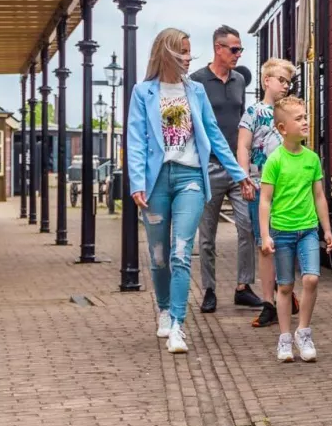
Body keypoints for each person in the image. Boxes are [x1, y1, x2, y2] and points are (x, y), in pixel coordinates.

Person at [127, 28, 252, 354]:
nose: (188, 57)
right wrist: (136, 182)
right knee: (158, 257)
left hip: (190, 179)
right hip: (156, 182)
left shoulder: (195, 91)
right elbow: (136, 140)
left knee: (181, 253)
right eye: (182, 51)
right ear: (167, 52)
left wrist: (240, 175)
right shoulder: (143, 93)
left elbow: (214, 136)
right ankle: (165, 309)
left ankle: (179, 326)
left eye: (189, 51)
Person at [257, 96, 332, 362]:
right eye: (299, 119)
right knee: (286, 287)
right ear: (282, 128)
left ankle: (304, 332)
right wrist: (265, 235)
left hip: (308, 230)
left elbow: (319, 197)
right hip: (282, 232)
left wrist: (327, 229)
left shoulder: (312, 159)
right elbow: (265, 200)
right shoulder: (275, 161)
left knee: (311, 278)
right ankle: (285, 339)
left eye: (305, 117)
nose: (305, 122)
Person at [191, 24, 260, 314]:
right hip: (208, 167)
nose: (238, 54)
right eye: (234, 49)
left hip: (237, 167)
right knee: (207, 235)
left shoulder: (239, 82)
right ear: (218, 49)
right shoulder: (196, 81)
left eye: (240, 49)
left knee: (247, 227)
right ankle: (208, 289)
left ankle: (243, 287)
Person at [238, 57, 296, 329]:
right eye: (281, 80)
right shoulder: (253, 112)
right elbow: (244, 147)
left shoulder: (289, 112)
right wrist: (244, 178)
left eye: (288, 82)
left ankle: (285, 292)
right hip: (260, 186)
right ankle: (268, 303)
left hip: (288, 187)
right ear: (266, 81)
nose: (285, 86)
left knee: (286, 240)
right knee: (265, 245)